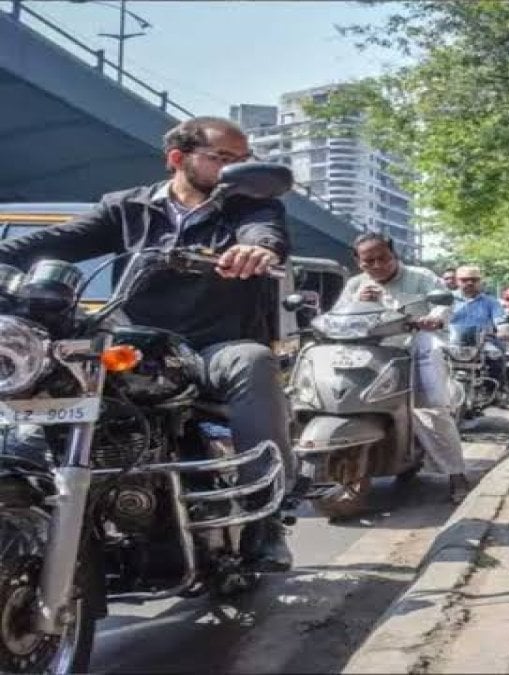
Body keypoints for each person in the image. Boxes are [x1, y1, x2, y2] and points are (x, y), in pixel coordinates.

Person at [0, 116, 296, 571]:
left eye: (243, 162)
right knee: (47, 367)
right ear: (178, 158)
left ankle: (266, 515)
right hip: (136, 345)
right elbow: (57, 241)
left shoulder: (249, 207)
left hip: (215, 346)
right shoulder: (124, 208)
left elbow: (264, 234)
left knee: (253, 362)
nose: (235, 172)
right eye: (223, 159)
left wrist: (257, 250)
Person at [338, 234, 470, 504]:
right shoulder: (355, 284)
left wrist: (432, 319)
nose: (377, 265)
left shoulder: (421, 277)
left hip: (415, 348)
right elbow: (338, 317)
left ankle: (457, 475)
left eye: (383, 258)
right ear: (358, 262)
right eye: (368, 261)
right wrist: (358, 301)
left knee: (430, 408)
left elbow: (443, 305)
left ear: (394, 254)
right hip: (371, 353)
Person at [449, 265, 508, 386]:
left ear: (480, 281)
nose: (470, 283)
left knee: (496, 356)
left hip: (482, 343)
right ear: (457, 281)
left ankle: (496, 391)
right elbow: (436, 316)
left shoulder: (491, 302)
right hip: (451, 343)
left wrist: (503, 330)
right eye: (464, 280)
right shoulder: (448, 300)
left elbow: (500, 320)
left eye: (474, 280)